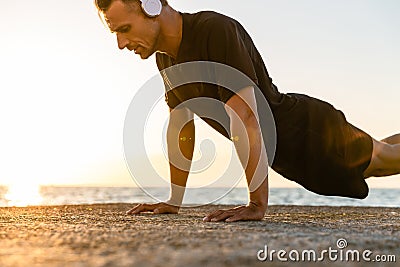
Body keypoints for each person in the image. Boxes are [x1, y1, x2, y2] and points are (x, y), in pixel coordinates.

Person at [95, 0, 400, 222]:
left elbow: (245, 116)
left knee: (384, 161)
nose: (121, 43)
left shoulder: (214, 30)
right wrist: (174, 200)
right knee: (383, 153)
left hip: (311, 134)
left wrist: (256, 204)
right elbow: (181, 128)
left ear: (150, 6)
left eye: (124, 29)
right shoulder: (166, 61)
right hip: (289, 157)